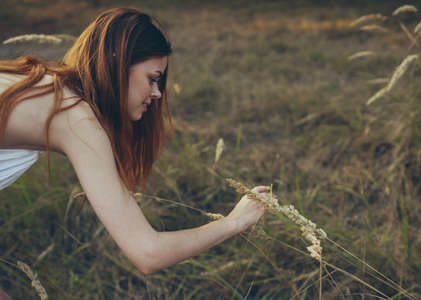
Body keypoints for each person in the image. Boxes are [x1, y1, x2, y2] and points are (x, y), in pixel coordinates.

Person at [0, 7, 267, 297]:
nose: (157, 93)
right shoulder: (75, 118)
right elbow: (147, 253)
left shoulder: (39, 83)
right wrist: (233, 222)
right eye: (153, 78)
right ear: (118, 63)